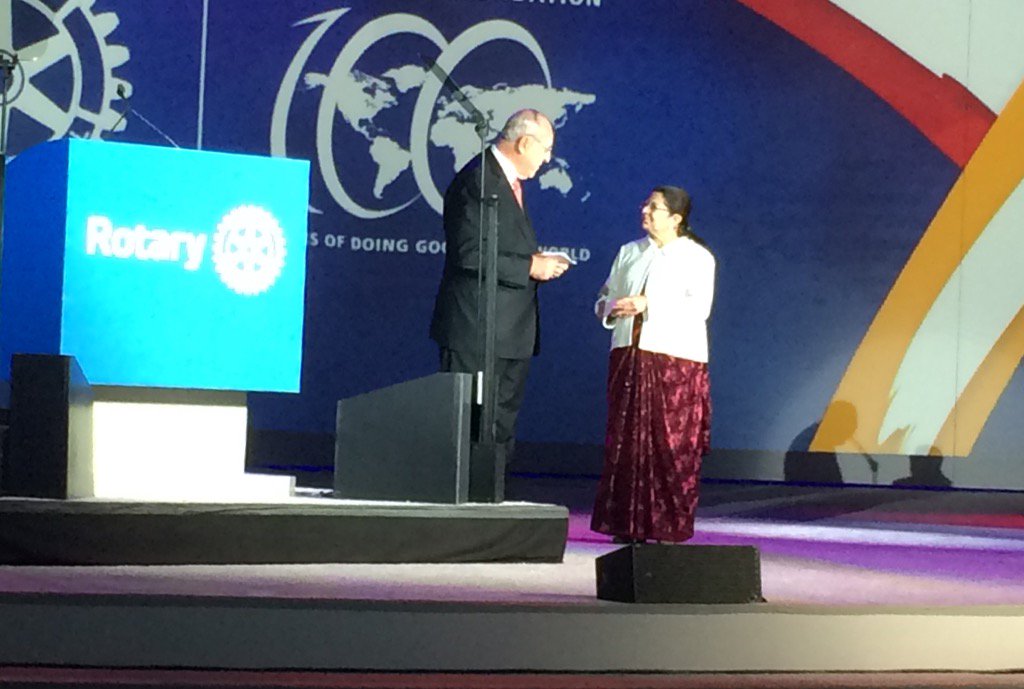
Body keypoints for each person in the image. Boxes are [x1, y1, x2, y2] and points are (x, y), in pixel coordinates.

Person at [429, 109, 570, 501]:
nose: (546, 159)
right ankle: (458, 504)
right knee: (469, 424)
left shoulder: (506, 183)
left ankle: (488, 501)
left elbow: (498, 246)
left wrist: (533, 259)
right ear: (524, 143)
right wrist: (530, 266)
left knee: (500, 424)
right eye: (546, 149)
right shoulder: (477, 181)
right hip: (477, 326)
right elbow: (469, 254)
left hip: (509, 329)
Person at [590, 185, 715, 542]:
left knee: (668, 445)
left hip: (675, 361)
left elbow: (699, 308)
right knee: (626, 442)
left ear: (676, 219)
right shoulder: (630, 252)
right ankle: (625, 523)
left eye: (655, 207)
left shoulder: (697, 257)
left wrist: (649, 303)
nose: (645, 210)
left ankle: (666, 523)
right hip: (629, 354)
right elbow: (606, 296)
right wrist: (612, 309)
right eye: (645, 204)